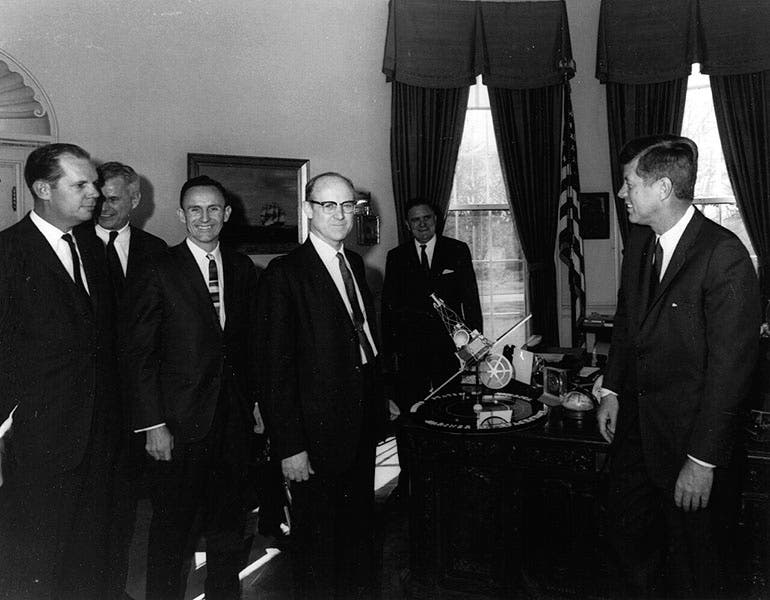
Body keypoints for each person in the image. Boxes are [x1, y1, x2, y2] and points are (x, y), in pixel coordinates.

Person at [596, 135, 759, 598]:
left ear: (663, 188)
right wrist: (612, 390)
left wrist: (702, 461)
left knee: (695, 571)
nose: (622, 193)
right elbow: (628, 323)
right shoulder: (640, 242)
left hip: (691, 447)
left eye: (629, 183)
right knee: (629, 554)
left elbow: (731, 374)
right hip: (637, 438)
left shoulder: (723, 256)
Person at [122, 175, 260, 600]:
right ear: (181, 215)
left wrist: (255, 405)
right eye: (195, 210)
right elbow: (139, 354)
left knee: (228, 528)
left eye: (213, 209)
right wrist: (153, 425)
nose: (205, 218)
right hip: (178, 426)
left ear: (227, 214)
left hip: (233, 424)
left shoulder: (242, 268)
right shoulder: (158, 268)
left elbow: (248, 346)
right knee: (172, 533)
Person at [256, 172, 386, 599]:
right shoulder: (285, 273)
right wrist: (290, 446)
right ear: (308, 210)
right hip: (314, 437)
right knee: (316, 546)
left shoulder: (355, 265)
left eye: (348, 206)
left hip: (359, 427)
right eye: (329, 205)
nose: (340, 215)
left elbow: (361, 343)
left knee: (356, 535)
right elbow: (275, 371)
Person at [0, 143, 120, 599]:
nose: (96, 193)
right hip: (37, 442)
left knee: (87, 563)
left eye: (94, 183)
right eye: (81, 184)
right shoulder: (8, 253)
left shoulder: (92, 248)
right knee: (35, 565)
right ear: (43, 189)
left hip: (96, 438)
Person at [76, 160, 168, 599]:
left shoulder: (157, 251)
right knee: (88, 508)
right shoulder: (75, 244)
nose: (104, 208)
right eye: (100, 198)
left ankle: (113, 588)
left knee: (126, 507)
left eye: (114, 199)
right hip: (89, 404)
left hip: (138, 406)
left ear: (135, 200)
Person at [381, 199, 482, 498]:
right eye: (415, 220)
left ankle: (451, 476)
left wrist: (474, 347)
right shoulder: (396, 257)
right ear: (407, 224)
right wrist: (389, 354)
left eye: (426, 218)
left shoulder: (457, 250)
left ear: (436, 219)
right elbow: (388, 308)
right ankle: (409, 478)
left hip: (448, 351)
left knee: (449, 411)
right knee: (409, 416)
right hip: (409, 353)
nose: (422, 224)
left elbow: (471, 301)